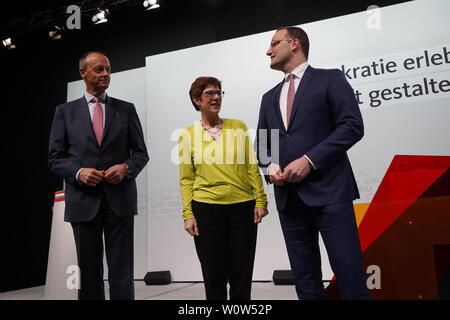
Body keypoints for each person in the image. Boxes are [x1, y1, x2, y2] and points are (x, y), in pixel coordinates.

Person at [256, 27, 371, 300]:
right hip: (289, 199)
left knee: (349, 272)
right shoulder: (268, 97)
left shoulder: (330, 79)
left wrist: (310, 160)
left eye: (274, 43)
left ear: (294, 44)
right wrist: (271, 168)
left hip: (330, 193)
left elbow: (352, 125)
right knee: (305, 279)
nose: (268, 50)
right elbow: (263, 146)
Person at [48, 51, 149, 300]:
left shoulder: (126, 109)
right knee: (88, 271)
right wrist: (79, 172)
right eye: (99, 70)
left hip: (120, 201)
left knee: (122, 270)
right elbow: (55, 158)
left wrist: (126, 168)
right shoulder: (64, 112)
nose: (106, 74)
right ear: (83, 73)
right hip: (83, 201)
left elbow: (140, 154)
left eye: (108, 69)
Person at [179, 76, 268, 300]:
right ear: (196, 100)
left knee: (242, 274)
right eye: (210, 93)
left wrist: (261, 200)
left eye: (219, 92)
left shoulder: (238, 126)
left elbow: (251, 165)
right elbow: (186, 179)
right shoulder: (187, 135)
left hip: (242, 208)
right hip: (206, 210)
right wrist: (188, 214)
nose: (216, 97)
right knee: (213, 275)